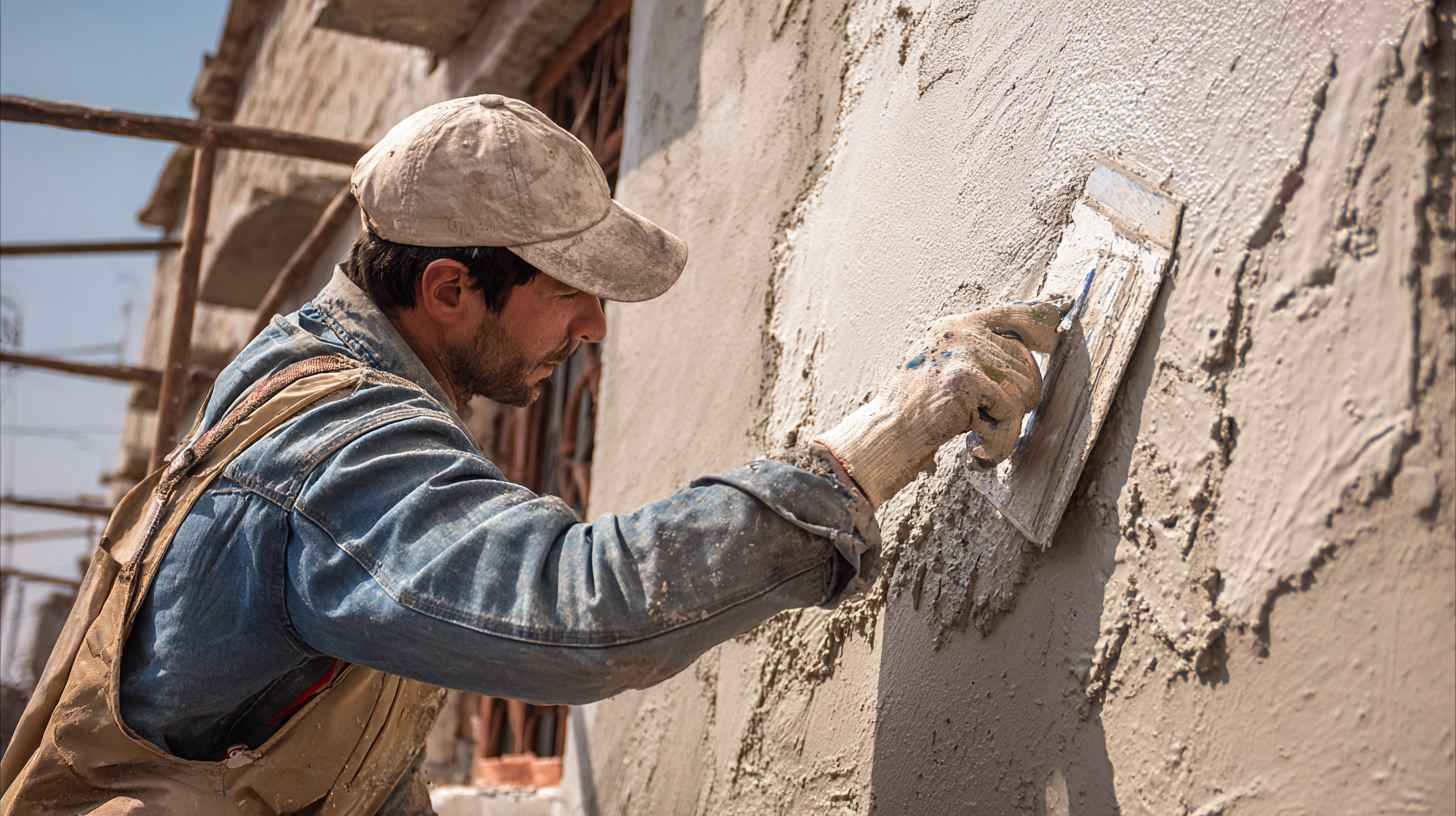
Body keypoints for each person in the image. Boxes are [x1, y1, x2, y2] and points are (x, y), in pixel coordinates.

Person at [0, 94, 1064, 815]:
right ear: (450, 290)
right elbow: (573, 611)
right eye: (569, 291)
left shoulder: (301, 376)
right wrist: (878, 440)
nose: (594, 328)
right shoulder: (336, 458)